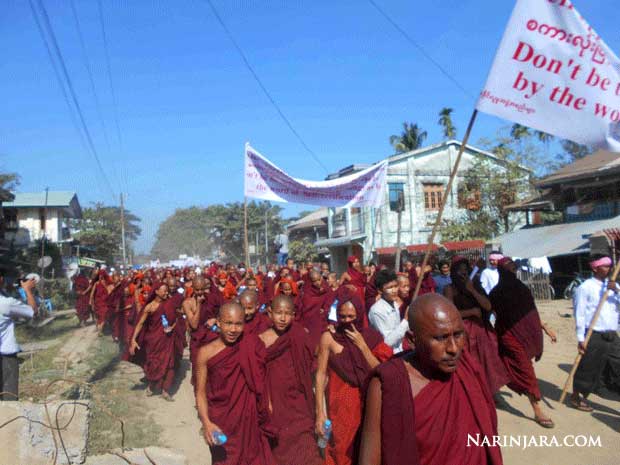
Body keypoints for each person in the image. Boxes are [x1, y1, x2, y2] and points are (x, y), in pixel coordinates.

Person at [359, 294, 503, 465]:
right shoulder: (390, 382)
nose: (453, 349)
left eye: (458, 335)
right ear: (412, 340)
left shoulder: (468, 369)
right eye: (440, 338)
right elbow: (370, 459)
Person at [315, 289, 392, 465]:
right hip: (341, 405)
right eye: (343, 317)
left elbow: (381, 369)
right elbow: (320, 375)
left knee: (368, 447)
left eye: (351, 316)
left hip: (368, 401)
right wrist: (320, 412)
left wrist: (362, 345)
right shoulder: (329, 338)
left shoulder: (372, 338)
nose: (347, 321)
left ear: (359, 314)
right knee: (342, 449)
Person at [194, 302, 275, 465]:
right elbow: (200, 393)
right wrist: (206, 422)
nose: (233, 329)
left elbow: (261, 381)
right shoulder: (206, 352)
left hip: (249, 420)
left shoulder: (252, 345)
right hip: (221, 421)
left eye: (238, 324)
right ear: (218, 322)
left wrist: (268, 407)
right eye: (228, 323)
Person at [489, 257, 557, 428]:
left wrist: (545, 327)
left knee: (508, 367)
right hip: (509, 336)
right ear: (501, 271)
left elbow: (531, 311)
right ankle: (537, 409)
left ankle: (493, 391)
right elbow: (494, 314)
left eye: (514, 267)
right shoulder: (496, 293)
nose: (512, 270)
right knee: (526, 370)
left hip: (525, 334)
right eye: (508, 268)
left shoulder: (522, 288)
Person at [258, 295, 322, 465]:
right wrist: (267, 404)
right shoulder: (262, 340)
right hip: (276, 402)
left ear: (294, 315)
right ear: (270, 313)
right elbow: (259, 375)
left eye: (287, 313)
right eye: (279, 313)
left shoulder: (299, 333)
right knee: (281, 448)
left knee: (306, 446)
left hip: (299, 399)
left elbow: (314, 358)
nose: (283, 318)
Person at [444, 257, 509, 395]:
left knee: (487, 363)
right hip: (463, 333)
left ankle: (489, 392)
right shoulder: (449, 289)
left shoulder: (475, 286)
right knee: (468, 364)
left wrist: (472, 290)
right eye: (460, 271)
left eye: (466, 271)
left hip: (481, 331)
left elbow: (488, 306)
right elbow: (451, 313)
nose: (464, 274)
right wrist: (471, 312)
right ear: (454, 272)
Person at [570, 254, 620, 412]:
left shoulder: (613, 286)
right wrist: (580, 338)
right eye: (605, 266)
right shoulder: (585, 287)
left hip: (612, 333)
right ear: (595, 268)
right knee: (588, 367)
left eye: (610, 266)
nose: (609, 269)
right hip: (593, 334)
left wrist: (616, 291)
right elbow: (579, 314)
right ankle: (576, 396)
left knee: (617, 364)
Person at [130, 283, 177, 400]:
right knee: (155, 364)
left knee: (169, 364)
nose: (167, 293)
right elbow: (140, 323)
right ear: (156, 292)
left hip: (167, 339)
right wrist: (133, 339)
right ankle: (152, 386)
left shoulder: (170, 303)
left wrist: (173, 327)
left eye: (167, 291)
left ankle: (165, 390)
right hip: (154, 340)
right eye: (164, 291)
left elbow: (178, 318)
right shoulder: (150, 307)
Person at [0, 272, 38, 400]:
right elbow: (33, 311)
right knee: (9, 397)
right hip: (6, 357)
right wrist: (27, 289)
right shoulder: (6, 303)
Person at [368, 269, 409, 354]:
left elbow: (397, 330)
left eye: (395, 286)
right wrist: (405, 321)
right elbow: (388, 342)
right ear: (380, 290)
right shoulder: (377, 311)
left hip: (399, 350)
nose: (394, 290)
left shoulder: (394, 304)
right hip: (388, 355)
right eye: (390, 288)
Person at [298, 270, 328, 348]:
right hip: (309, 323)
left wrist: (325, 309)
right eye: (314, 281)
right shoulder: (307, 293)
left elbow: (329, 303)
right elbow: (304, 309)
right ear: (310, 282)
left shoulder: (325, 289)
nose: (318, 283)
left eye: (319, 280)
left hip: (322, 321)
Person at [339, 256, 368, 326]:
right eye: (354, 262)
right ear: (350, 264)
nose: (357, 264)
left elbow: (366, 284)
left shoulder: (362, 272)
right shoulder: (346, 274)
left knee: (362, 312)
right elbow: (339, 286)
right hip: (352, 296)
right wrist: (347, 286)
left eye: (358, 262)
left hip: (362, 295)